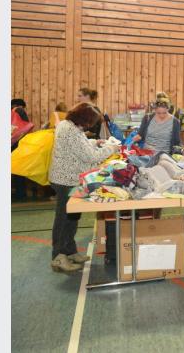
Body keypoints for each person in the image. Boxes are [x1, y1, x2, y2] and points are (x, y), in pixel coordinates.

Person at [48, 103, 120, 272]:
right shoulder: (70, 130)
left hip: (71, 179)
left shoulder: (69, 126)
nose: (90, 125)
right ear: (84, 119)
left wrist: (96, 141)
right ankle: (58, 256)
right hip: (66, 180)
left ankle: (69, 251)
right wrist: (111, 148)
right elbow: (90, 157)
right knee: (63, 220)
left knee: (72, 218)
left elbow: (81, 144)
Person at [11, 99, 31, 201]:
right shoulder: (19, 110)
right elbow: (26, 125)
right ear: (21, 105)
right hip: (18, 143)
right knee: (19, 169)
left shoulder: (11, 111)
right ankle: (20, 193)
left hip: (10, 143)